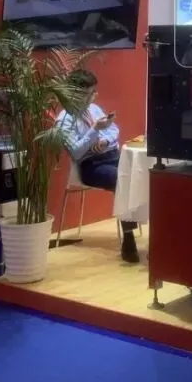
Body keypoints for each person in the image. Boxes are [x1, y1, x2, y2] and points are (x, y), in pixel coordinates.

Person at [53, 71, 139, 264]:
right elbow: (75, 152)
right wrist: (94, 131)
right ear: (74, 93)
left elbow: (114, 130)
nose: (92, 98)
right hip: (91, 166)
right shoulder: (64, 119)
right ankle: (129, 238)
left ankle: (155, 232)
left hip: (113, 155)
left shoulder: (94, 109)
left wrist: (105, 140)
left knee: (141, 174)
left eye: (93, 93)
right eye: (88, 94)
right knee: (121, 178)